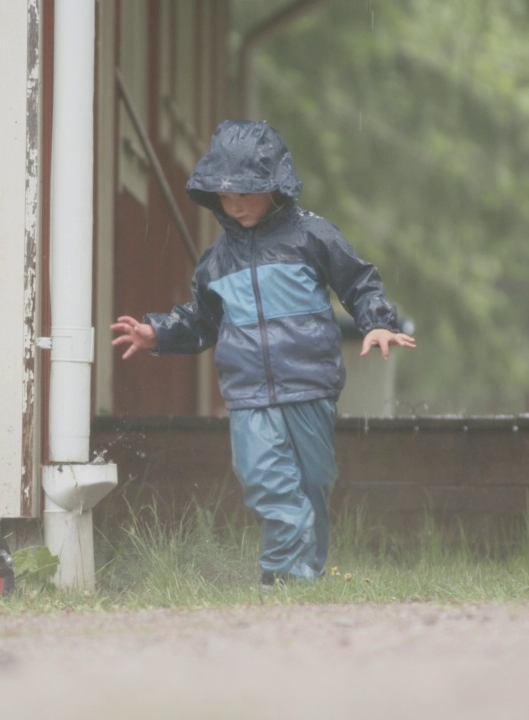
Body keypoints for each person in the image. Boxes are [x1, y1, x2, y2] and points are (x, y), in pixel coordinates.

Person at [111, 120, 416, 587]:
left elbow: (358, 282)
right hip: (249, 393)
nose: (233, 204)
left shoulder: (312, 236)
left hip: (310, 385)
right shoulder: (216, 263)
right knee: (265, 481)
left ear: (276, 185)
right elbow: (201, 322)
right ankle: (282, 574)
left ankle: (305, 574)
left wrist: (377, 322)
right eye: (224, 195)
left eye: (246, 192)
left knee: (312, 484)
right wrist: (159, 333)